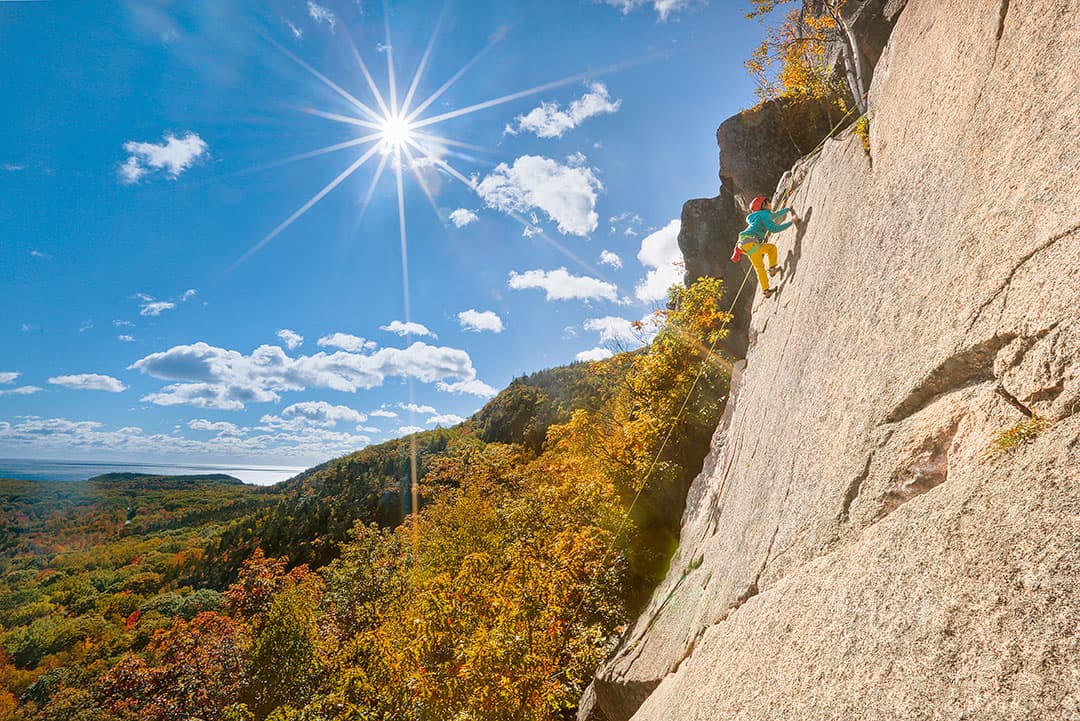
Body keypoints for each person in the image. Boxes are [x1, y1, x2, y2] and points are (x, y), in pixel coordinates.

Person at [731, 196, 798, 298]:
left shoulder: (760, 215)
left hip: (746, 245)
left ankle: (771, 271)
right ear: (764, 205)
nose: (771, 203)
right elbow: (774, 228)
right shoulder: (764, 215)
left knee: (771, 249)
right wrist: (791, 222)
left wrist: (787, 209)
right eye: (768, 202)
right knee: (760, 268)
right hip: (750, 243)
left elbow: (774, 215)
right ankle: (767, 288)